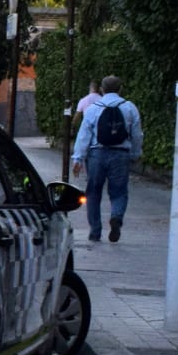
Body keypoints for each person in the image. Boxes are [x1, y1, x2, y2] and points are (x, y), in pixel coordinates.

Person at [71, 75, 144, 243]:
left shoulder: (93, 109)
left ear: (102, 90)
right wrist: (134, 154)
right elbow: (136, 135)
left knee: (93, 192)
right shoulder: (130, 108)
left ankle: (95, 232)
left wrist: (78, 158)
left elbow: (84, 136)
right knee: (119, 192)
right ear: (121, 89)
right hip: (120, 155)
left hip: (97, 154)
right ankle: (116, 216)